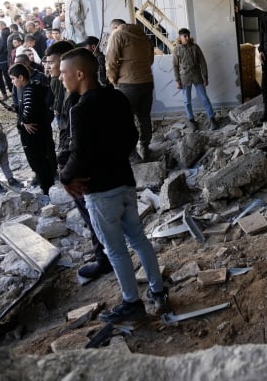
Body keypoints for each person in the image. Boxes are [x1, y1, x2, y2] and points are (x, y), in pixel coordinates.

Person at [59, 48, 168, 322]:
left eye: (64, 73)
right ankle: (158, 291)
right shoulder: (117, 97)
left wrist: (64, 176)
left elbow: (79, 153)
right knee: (139, 239)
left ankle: (131, 303)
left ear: (80, 74)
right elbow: (132, 136)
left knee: (116, 250)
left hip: (100, 190)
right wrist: (113, 157)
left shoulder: (80, 109)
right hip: (125, 181)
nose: (61, 78)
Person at [47, 40, 114, 282]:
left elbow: (82, 140)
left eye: (53, 63)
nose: (49, 67)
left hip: (80, 167)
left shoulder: (80, 95)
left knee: (91, 214)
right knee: (88, 215)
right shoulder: (63, 88)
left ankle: (106, 258)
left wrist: (68, 173)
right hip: (71, 161)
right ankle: (104, 255)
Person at [105, 18, 155, 160]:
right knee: (144, 116)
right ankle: (145, 147)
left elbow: (110, 61)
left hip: (127, 84)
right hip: (147, 82)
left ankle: (132, 154)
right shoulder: (143, 35)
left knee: (124, 119)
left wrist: (113, 80)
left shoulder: (117, 35)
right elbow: (151, 59)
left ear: (115, 27)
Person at [8, 63, 56, 195]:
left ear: (21, 77)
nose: (12, 82)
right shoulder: (37, 85)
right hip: (42, 129)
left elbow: (28, 111)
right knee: (44, 160)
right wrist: (17, 109)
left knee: (38, 162)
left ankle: (47, 190)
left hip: (33, 134)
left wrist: (23, 121)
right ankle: (49, 187)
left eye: (13, 79)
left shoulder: (28, 90)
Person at [172, 27, 218, 131]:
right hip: (184, 77)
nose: (187, 38)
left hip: (197, 75)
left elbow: (202, 62)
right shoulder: (177, 49)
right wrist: (177, 80)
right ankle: (191, 120)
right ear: (180, 37)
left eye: (188, 35)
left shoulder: (195, 47)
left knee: (204, 98)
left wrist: (205, 76)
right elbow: (175, 66)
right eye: (185, 36)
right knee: (186, 101)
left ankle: (212, 119)